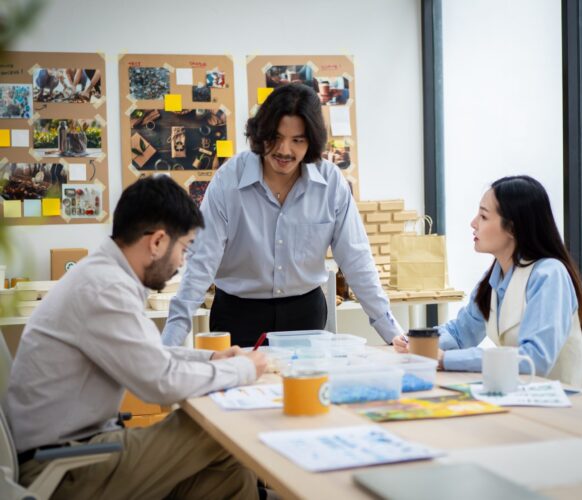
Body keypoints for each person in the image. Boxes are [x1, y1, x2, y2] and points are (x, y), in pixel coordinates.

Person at [6, 175, 266, 499]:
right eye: (184, 248)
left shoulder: (106, 277)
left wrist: (212, 358)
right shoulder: (105, 288)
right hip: (63, 466)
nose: (182, 262)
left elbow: (150, 354)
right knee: (225, 428)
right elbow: (159, 382)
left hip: (75, 452)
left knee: (230, 473)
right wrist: (244, 371)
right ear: (157, 242)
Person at [163, 83, 404, 347]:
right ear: (260, 134)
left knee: (305, 388)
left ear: (312, 140)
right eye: (275, 138)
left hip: (305, 314)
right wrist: (169, 345)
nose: (284, 150)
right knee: (241, 388)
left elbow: (356, 258)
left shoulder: (330, 182)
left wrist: (391, 332)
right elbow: (201, 262)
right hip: (238, 315)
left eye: (297, 140)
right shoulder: (229, 180)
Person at [392, 175, 582, 389]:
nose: (473, 223)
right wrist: (417, 341)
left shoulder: (549, 275)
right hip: (517, 396)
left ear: (512, 228)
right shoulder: (496, 276)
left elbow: (534, 359)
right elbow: (461, 333)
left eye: (483, 217)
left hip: (561, 405)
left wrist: (445, 359)